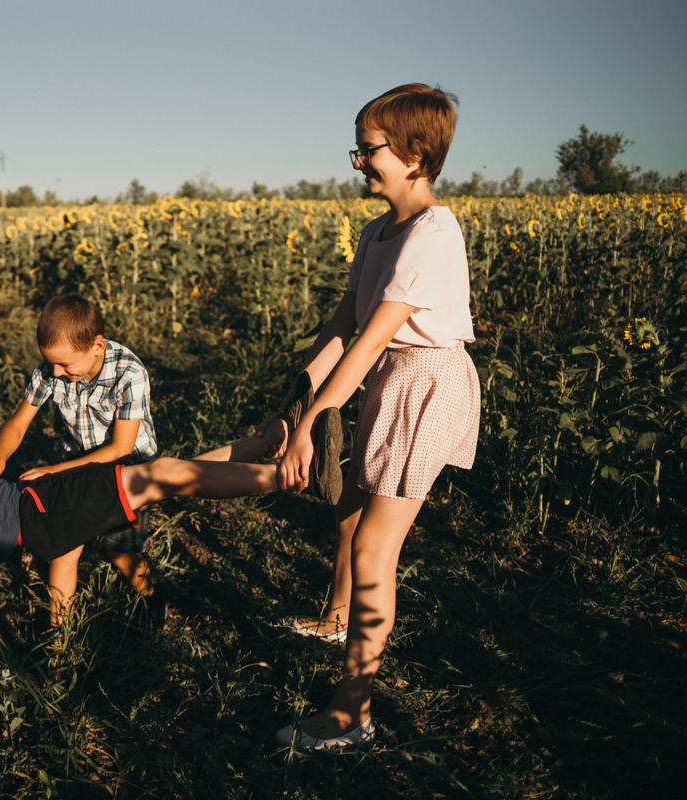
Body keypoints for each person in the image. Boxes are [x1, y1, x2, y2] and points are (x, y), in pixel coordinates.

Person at [271, 84, 480, 749]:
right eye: (357, 148)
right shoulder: (376, 231)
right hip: (388, 380)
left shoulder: (432, 232)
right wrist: (302, 387)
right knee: (348, 510)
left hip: (423, 387)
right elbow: (346, 323)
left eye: (369, 149)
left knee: (374, 546)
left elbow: (373, 339)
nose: (357, 162)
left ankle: (352, 710)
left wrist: (315, 421)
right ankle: (338, 618)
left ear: (416, 153)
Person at [0, 314, 287, 610]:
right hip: (32, 511)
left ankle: (60, 645)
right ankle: (288, 474)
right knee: (167, 476)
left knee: (165, 478)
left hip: (38, 502)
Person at [0, 295, 160, 624]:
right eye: (52, 364)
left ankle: (152, 605)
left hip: (129, 471)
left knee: (121, 551)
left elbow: (120, 448)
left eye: (65, 365)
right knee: (63, 548)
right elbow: (18, 423)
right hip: (79, 465)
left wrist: (53, 472)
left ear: (97, 346)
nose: (56, 372)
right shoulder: (52, 369)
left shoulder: (129, 373)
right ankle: (59, 637)